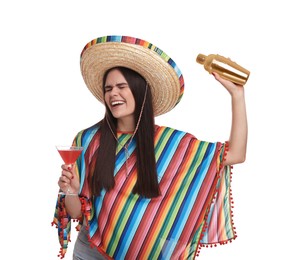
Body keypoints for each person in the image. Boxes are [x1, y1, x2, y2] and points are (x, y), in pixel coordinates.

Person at [52, 35, 248, 260]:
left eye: (121, 86)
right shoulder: (88, 139)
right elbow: (76, 212)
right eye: (108, 88)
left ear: (139, 90)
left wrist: (237, 95)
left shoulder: (170, 143)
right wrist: (70, 189)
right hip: (91, 253)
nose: (113, 93)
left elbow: (235, 154)